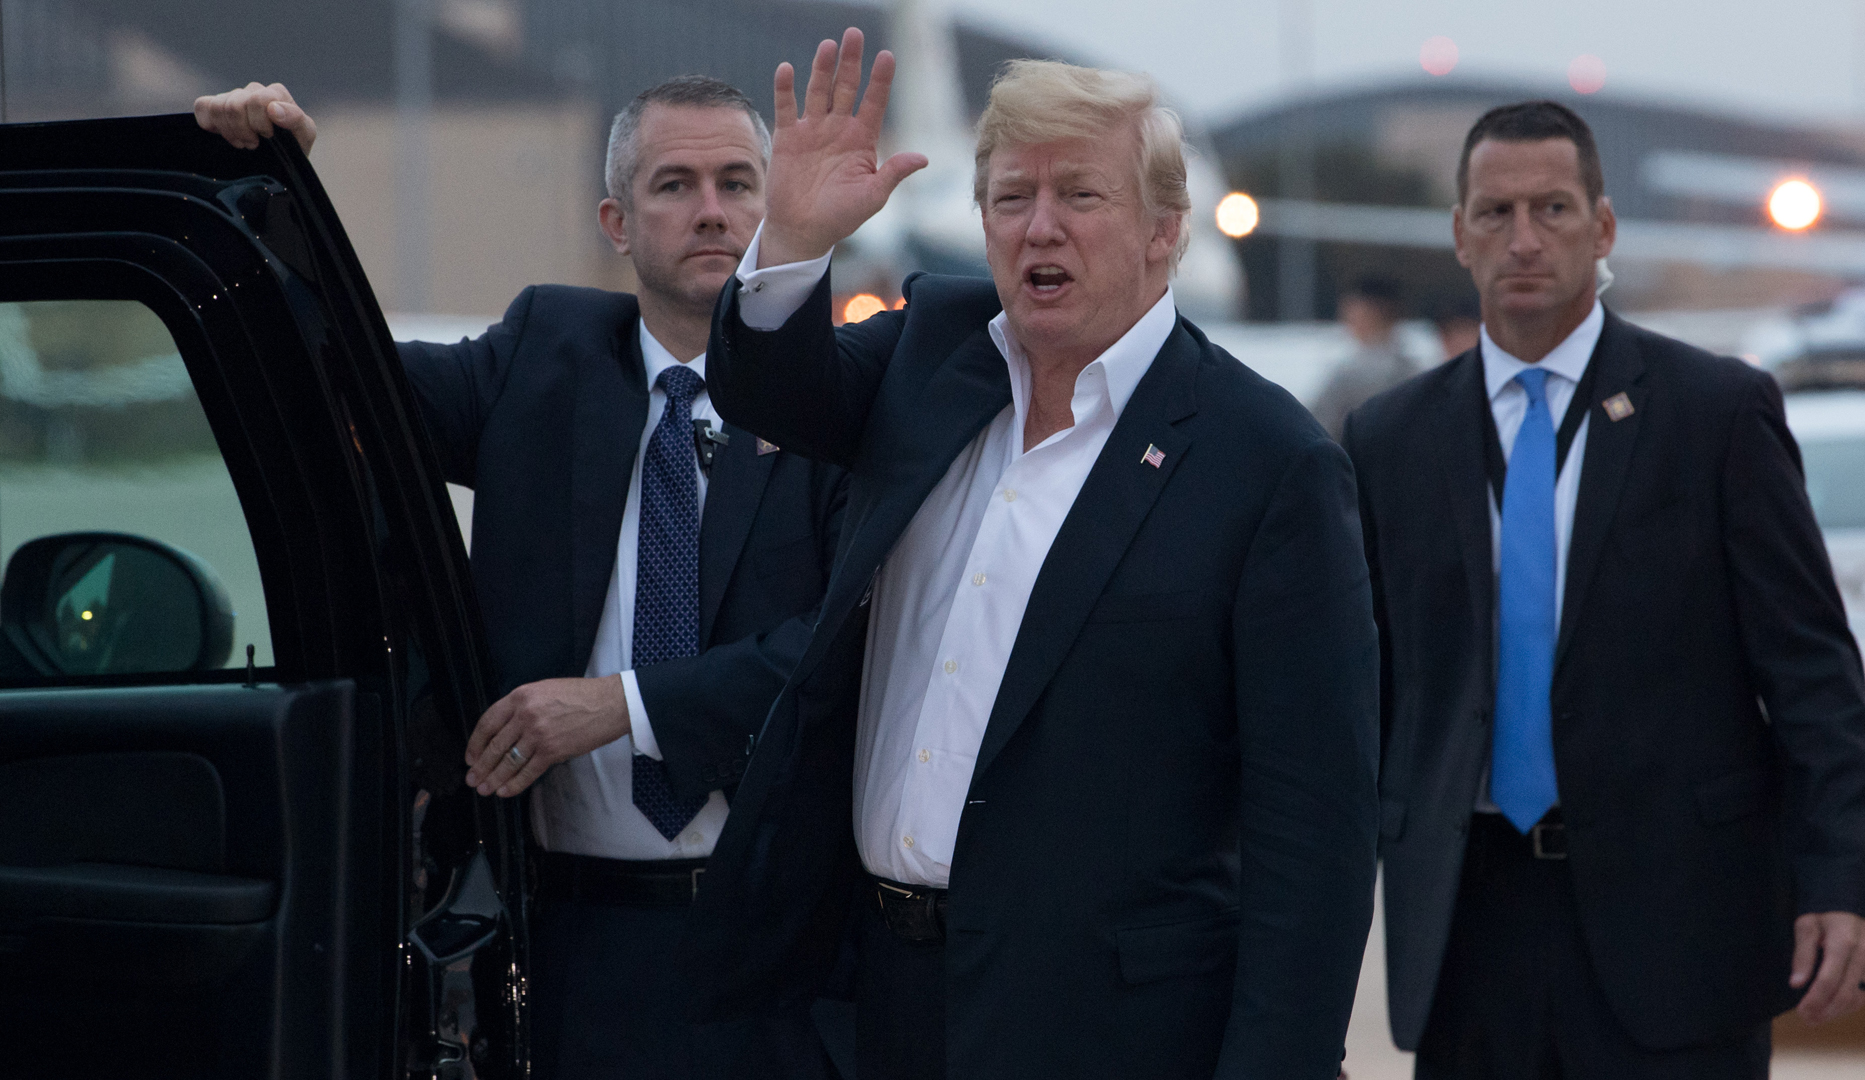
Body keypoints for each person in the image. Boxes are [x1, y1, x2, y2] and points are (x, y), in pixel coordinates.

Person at [680, 29, 1380, 1080]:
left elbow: (1312, 834)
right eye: (1012, 198)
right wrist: (789, 241)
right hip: (875, 1002)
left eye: (1080, 197)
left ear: (1163, 230)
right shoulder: (936, 351)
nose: (1039, 227)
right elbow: (771, 390)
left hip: (1106, 1030)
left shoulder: (1268, 462)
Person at [196, 77, 847, 1080]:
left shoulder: (836, 401)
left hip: (776, 958)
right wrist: (272, 188)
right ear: (617, 223)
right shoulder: (543, 353)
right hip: (565, 949)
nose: (712, 210)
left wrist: (621, 708)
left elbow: (836, 649)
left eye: (737, 182)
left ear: (773, 207)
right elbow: (332, 374)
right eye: (674, 185)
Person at [1343, 100, 1865, 1079]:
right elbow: (1369, 691)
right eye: (1496, 212)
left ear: (1602, 228)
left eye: (1553, 210)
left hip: (1678, 929)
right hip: (1467, 929)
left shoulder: (1716, 414)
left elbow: (1811, 671)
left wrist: (1843, 882)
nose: (1524, 239)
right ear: (1459, 235)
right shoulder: (1390, 438)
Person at [1310, 276, 1416, 434]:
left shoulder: (1351, 374)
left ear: (1371, 311)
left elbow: (1317, 427)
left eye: (1351, 308)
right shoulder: (1414, 368)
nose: (1345, 316)